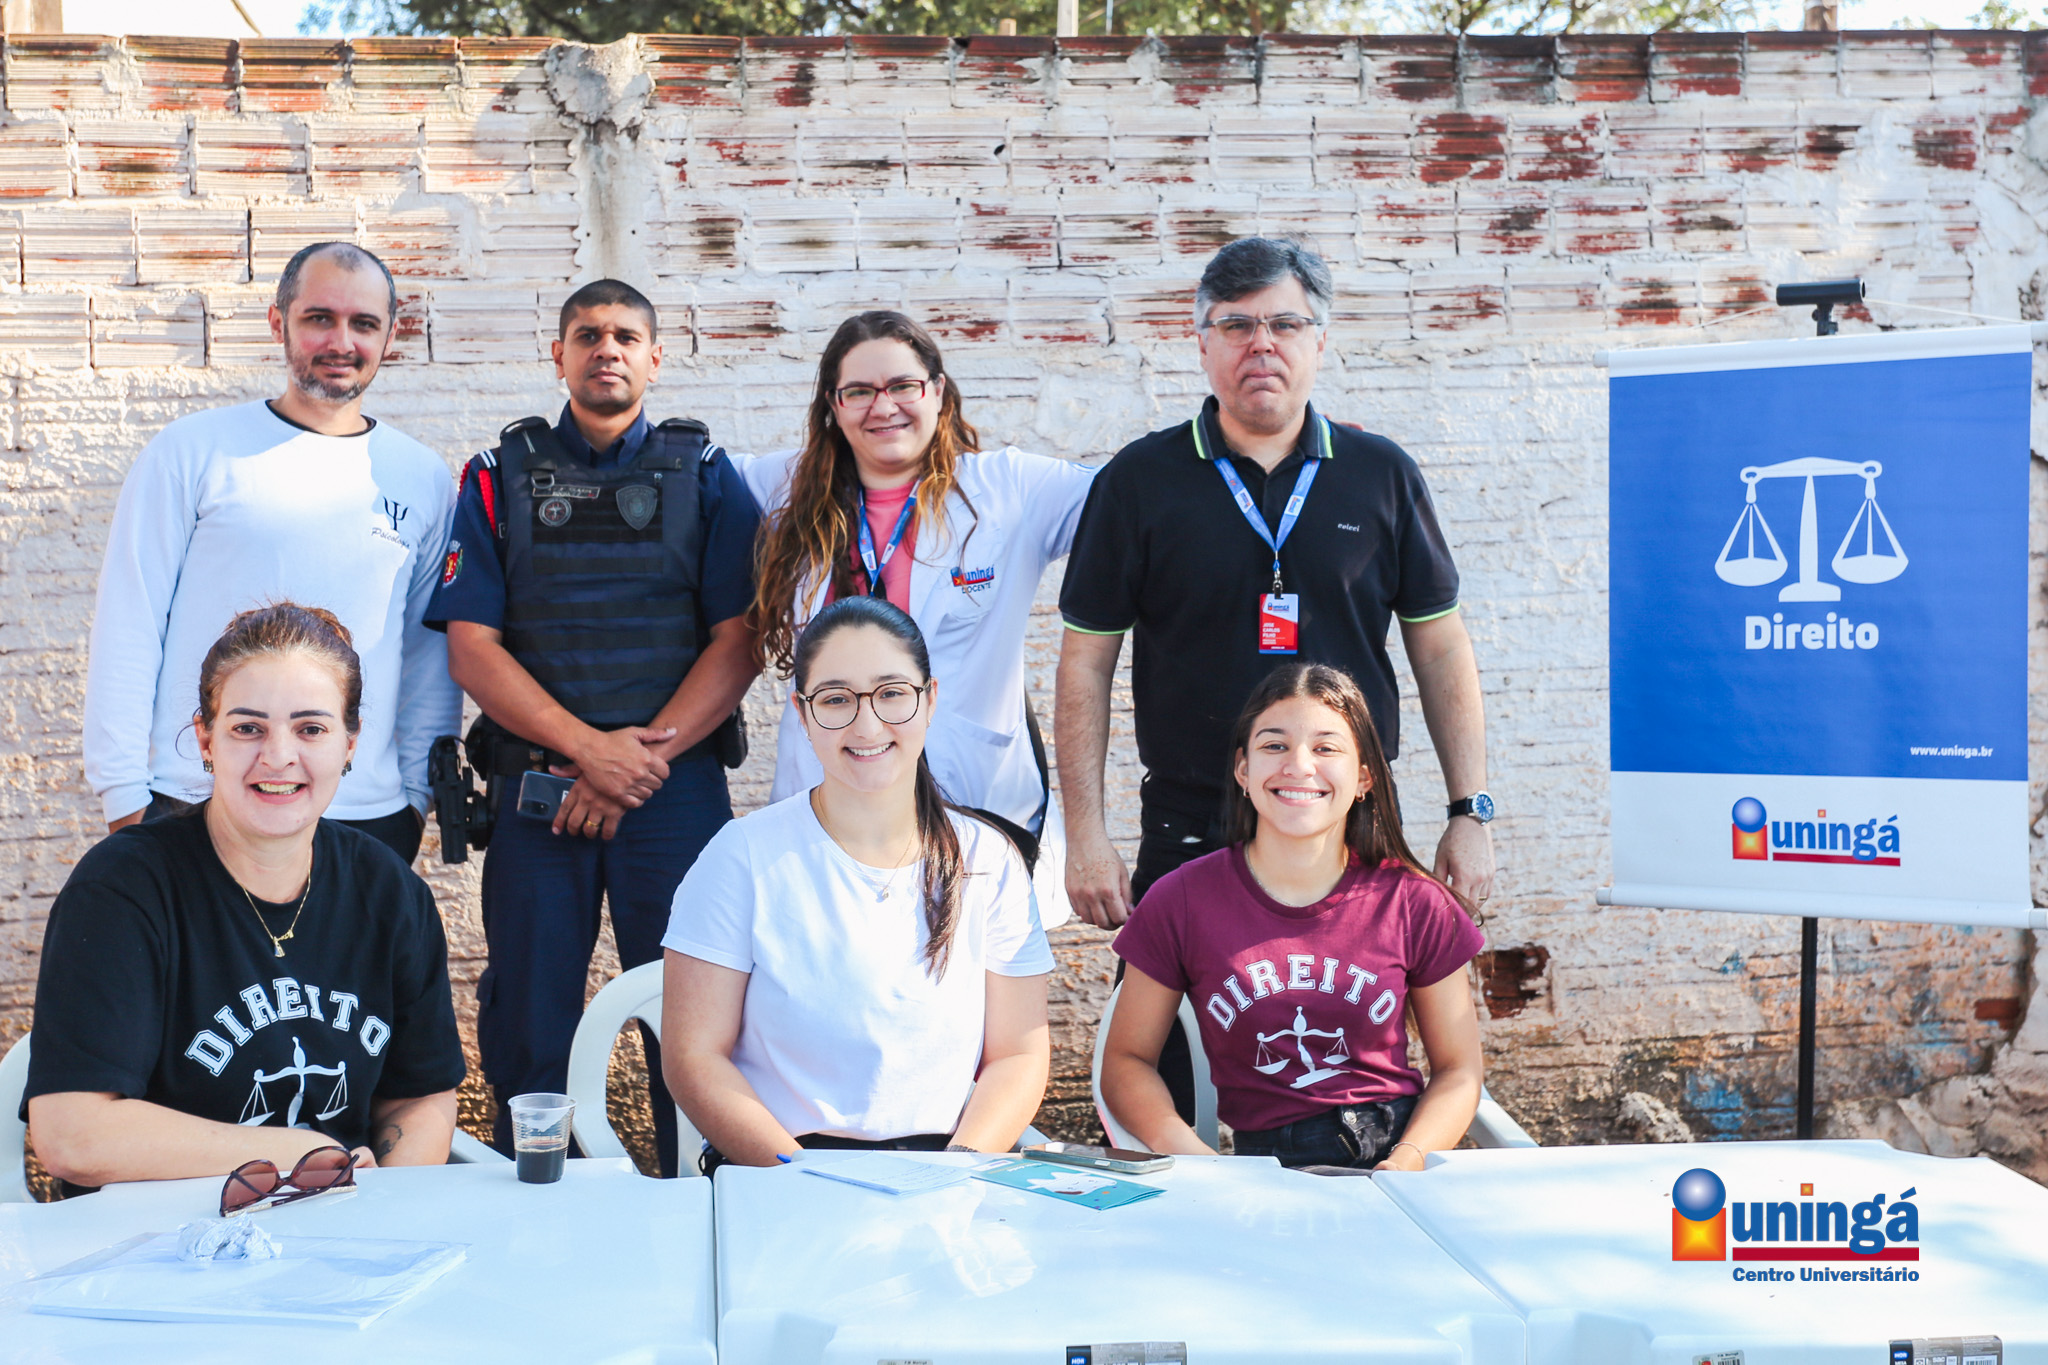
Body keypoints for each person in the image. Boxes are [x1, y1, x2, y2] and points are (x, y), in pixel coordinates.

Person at [427, 279, 762, 1171]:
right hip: (542, 789)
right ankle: (540, 1199)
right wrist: (590, 755)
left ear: (655, 357)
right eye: (586, 335)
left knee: (690, 1010)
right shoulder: (496, 477)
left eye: (624, 336)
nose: (605, 349)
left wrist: (636, 765)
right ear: (560, 355)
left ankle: (696, 1192)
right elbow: (472, 649)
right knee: (531, 1019)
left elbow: (741, 640)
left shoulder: (707, 473)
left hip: (672, 790)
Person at [26, 603, 465, 1195]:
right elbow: (72, 1133)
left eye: (311, 729)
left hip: (336, 1230)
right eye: (248, 728)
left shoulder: (389, 892)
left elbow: (420, 1096)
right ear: (205, 737)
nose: (278, 756)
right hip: (154, 1238)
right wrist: (295, 1154)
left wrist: (383, 1205)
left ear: (350, 743)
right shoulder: (123, 889)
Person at [84, 242, 461, 865]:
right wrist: (125, 798)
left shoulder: (421, 477)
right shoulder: (193, 452)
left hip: (364, 815)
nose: (341, 341)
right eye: (320, 318)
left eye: (364, 323)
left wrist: (416, 796)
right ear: (277, 321)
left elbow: (427, 653)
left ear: (390, 335)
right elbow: (130, 624)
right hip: (196, 802)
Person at [662, 597, 1052, 1172]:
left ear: (930, 699)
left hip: (946, 1174)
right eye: (836, 699)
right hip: (782, 1174)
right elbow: (694, 1058)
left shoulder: (988, 860)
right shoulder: (740, 857)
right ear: (802, 713)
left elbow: (1019, 1054)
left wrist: (958, 1170)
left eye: (891, 693)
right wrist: (801, 1177)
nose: (867, 725)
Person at [740, 310, 1098, 927]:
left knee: (979, 971)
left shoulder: (1010, 489)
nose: (884, 407)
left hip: (973, 799)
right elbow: (683, 484)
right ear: (833, 406)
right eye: (859, 391)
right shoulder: (783, 489)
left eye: (903, 385)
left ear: (937, 390)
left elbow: (1141, 497)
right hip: (829, 796)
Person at [1100, 662, 1483, 1171]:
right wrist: (1207, 1166)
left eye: (1326, 748)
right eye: (1275, 745)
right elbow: (1125, 1064)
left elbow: (1459, 1070)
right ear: (1243, 771)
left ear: (1364, 776)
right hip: (1271, 1172)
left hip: (1396, 1157)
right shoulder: (1181, 901)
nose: (1299, 765)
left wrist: (1407, 1162)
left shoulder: (1414, 902)